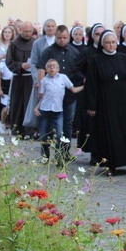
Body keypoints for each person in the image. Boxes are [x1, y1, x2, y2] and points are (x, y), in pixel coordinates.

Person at [85, 30, 126, 174]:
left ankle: (125, 160)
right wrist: (91, 105)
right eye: (107, 42)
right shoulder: (96, 60)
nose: (111, 45)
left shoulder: (124, 58)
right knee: (109, 131)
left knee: (124, 130)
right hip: (105, 102)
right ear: (102, 44)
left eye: (113, 42)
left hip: (124, 101)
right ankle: (110, 163)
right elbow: (91, 84)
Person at [38, 25, 83, 160]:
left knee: (67, 124)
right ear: (55, 37)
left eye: (64, 38)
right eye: (59, 38)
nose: (62, 40)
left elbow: (78, 70)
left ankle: (64, 152)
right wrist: (40, 91)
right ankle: (45, 152)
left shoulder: (74, 52)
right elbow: (41, 70)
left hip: (69, 94)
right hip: (51, 94)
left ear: (69, 37)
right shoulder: (48, 52)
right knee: (48, 125)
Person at [35, 58, 84, 164]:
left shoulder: (63, 78)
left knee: (59, 135)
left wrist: (85, 86)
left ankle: (58, 156)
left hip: (58, 111)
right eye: (49, 66)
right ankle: (45, 156)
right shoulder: (44, 80)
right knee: (44, 135)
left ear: (58, 68)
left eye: (54, 66)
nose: (52, 68)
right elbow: (42, 96)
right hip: (45, 110)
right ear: (46, 69)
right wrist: (36, 107)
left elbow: (73, 89)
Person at [74, 23, 105, 160]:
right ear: (92, 36)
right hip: (91, 92)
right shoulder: (87, 51)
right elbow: (76, 69)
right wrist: (84, 79)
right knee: (91, 124)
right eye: (97, 34)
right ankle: (94, 153)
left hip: (106, 92)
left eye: (102, 33)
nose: (99, 37)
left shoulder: (108, 50)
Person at [6, 21, 35, 137]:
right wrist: (20, 66)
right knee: (17, 104)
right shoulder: (14, 44)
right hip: (18, 78)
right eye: (26, 31)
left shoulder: (34, 43)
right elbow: (9, 62)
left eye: (30, 31)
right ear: (20, 30)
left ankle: (31, 131)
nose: (28, 34)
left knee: (30, 104)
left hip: (31, 79)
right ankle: (18, 130)